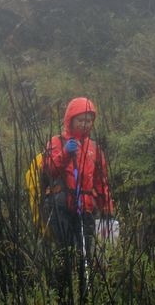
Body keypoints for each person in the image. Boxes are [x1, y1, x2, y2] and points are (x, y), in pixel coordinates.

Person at [43, 97, 114, 298]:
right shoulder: (57, 142)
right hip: (60, 207)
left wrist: (107, 208)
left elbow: (101, 182)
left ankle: (83, 294)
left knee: (85, 255)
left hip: (85, 209)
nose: (84, 124)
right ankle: (62, 295)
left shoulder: (94, 148)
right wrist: (65, 153)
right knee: (65, 254)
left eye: (88, 120)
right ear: (70, 120)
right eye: (80, 120)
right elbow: (48, 171)